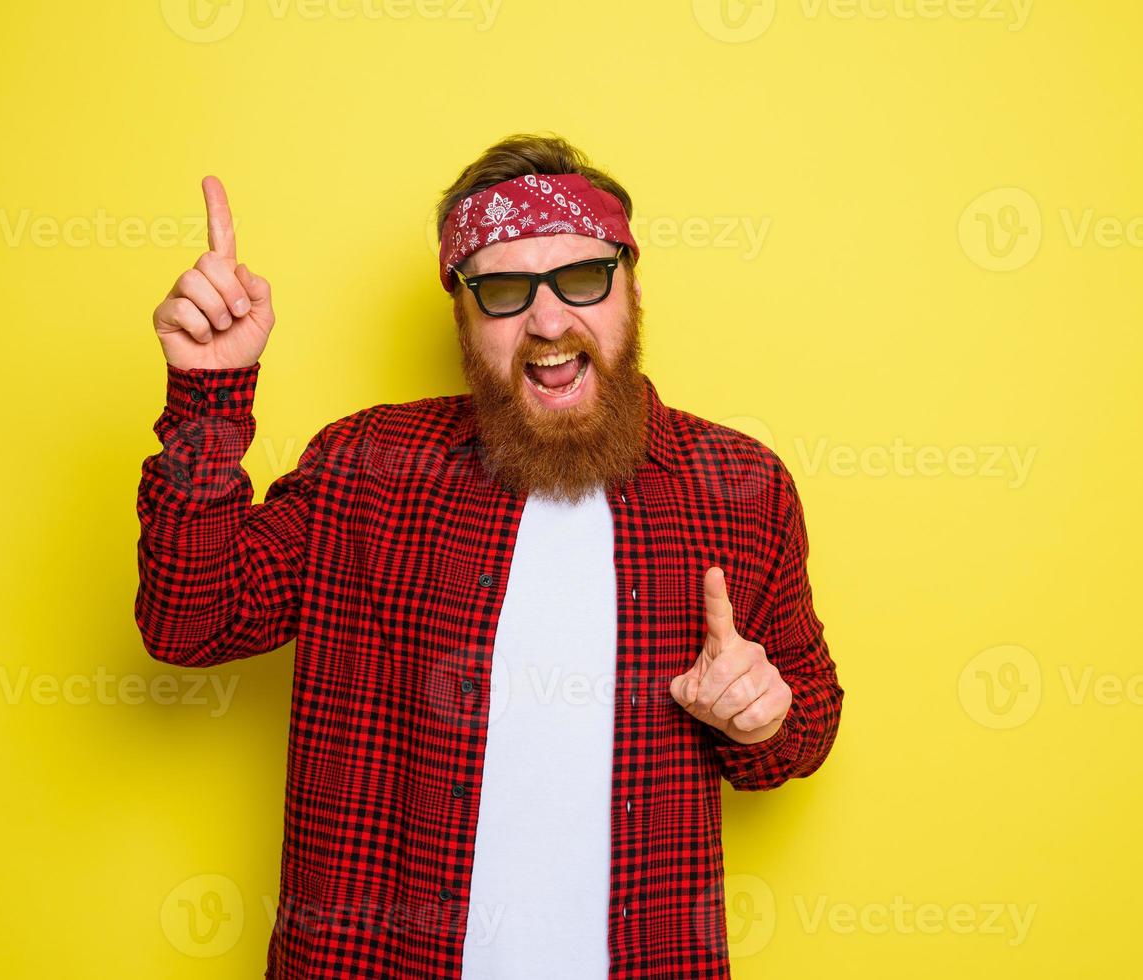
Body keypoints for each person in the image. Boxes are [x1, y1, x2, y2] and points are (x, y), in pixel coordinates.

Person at [136, 133, 844, 979]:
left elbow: (802, 730)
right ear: (462, 315)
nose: (548, 320)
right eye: (504, 290)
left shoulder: (738, 486)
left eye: (582, 278)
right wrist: (208, 395)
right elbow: (189, 621)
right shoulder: (368, 466)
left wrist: (763, 717)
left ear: (633, 286)